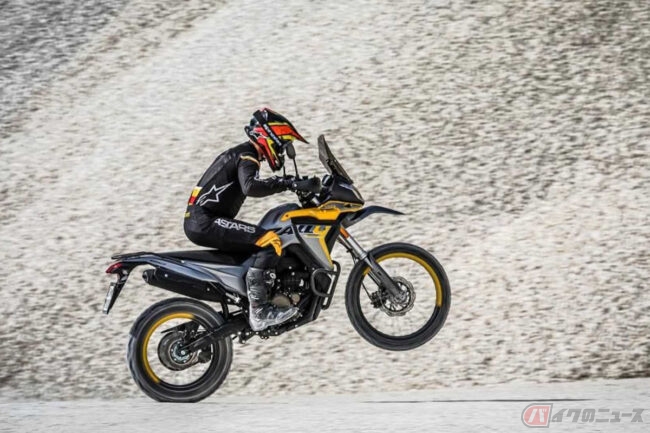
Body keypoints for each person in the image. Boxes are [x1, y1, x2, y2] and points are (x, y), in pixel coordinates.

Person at [184, 108, 308, 331]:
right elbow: (250, 187)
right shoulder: (247, 155)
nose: (282, 150)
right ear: (268, 137)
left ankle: (257, 294)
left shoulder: (242, 153)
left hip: (203, 220)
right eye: (281, 144)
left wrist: (289, 182)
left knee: (258, 242)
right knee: (269, 240)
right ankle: (259, 311)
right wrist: (287, 183)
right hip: (205, 221)